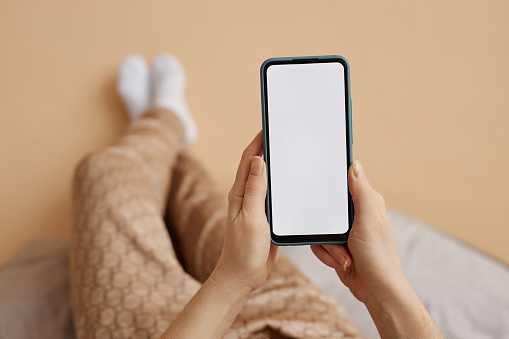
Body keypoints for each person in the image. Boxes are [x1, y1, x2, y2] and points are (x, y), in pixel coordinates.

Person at [69, 53, 443, 339]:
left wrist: (234, 280)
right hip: (307, 327)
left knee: (101, 172)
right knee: (213, 205)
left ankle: (163, 123)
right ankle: (169, 133)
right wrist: (385, 286)